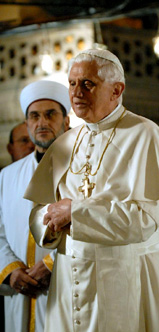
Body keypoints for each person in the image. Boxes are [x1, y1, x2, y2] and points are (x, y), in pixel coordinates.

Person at [24, 49, 159, 332]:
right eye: (72, 83)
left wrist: (76, 213)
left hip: (121, 282)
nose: (76, 92)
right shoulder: (65, 144)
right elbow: (39, 211)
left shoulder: (145, 134)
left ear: (117, 90)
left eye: (88, 83)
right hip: (67, 282)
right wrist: (48, 223)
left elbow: (145, 219)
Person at [0, 80, 71, 332]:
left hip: (67, 291)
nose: (42, 122)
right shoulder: (7, 176)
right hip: (20, 296)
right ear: (27, 123)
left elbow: (92, 225)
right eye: (34, 116)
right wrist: (10, 272)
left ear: (66, 121)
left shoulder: (84, 171)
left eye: (50, 114)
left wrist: (53, 263)